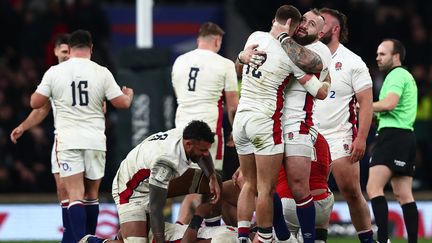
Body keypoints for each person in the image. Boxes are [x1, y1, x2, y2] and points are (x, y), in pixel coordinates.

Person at [233, 5, 329, 243]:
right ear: (293, 24)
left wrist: (242, 57)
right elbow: (319, 90)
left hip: (294, 125)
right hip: (268, 122)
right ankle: (274, 237)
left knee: (293, 188)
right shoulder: (286, 51)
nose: (305, 25)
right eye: (304, 21)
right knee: (263, 187)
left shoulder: (318, 50)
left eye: (312, 24)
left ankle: (290, 238)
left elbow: (315, 65)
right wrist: (240, 57)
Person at [30, 29, 134, 242]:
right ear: (91, 48)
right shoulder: (101, 72)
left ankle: (82, 240)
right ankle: (89, 237)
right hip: (95, 140)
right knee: (91, 195)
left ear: (71, 48)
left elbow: (35, 103)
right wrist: (128, 96)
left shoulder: (55, 72)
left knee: (74, 194)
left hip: (69, 140)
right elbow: (121, 104)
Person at [79, 120, 221, 243]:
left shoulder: (185, 135)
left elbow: (205, 155)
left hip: (150, 177)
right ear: (189, 144)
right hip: (130, 191)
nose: (205, 154)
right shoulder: (165, 162)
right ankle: (95, 241)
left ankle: (213, 230)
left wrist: (212, 175)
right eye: (202, 150)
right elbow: (155, 208)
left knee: (213, 182)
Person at [315, 8, 374, 242]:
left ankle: (367, 239)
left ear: (336, 29)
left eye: (323, 23)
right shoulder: (306, 55)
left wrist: (361, 138)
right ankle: (318, 238)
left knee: (350, 190)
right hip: (309, 134)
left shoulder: (352, 62)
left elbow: (366, 103)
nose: (318, 27)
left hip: (340, 134)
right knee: (315, 194)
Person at [171, 21, 239, 225]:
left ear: (198, 39)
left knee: (193, 186)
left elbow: (177, 95)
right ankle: (196, 230)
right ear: (217, 41)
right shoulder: (224, 64)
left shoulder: (179, 61)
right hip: (208, 132)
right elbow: (233, 106)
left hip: (181, 131)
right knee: (209, 187)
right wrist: (236, 131)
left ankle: (183, 231)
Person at [10, 33, 75, 243]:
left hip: (79, 138)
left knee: (79, 190)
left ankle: (77, 236)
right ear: (55, 51)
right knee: (63, 190)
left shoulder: (81, 74)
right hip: (61, 139)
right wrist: (23, 126)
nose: (67, 56)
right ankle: (71, 234)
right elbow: (42, 109)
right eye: (63, 51)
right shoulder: (53, 75)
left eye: (70, 52)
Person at [367, 39, 418, 243]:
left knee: (373, 188)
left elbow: (389, 104)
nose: (378, 58)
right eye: (377, 54)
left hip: (393, 136)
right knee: (403, 194)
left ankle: (382, 239)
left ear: (396, 56)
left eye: (382, 54)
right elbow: (391, 109)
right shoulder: (407, 76)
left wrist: (363, 107)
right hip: (406, 137)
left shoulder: (396, 75)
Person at [276, 133, 333, 243]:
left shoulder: (281, 135)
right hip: (321, 202)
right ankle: (319, 239)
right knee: (326, 192)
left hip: (290, 202)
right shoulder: (321, 139)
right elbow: (328, 172)